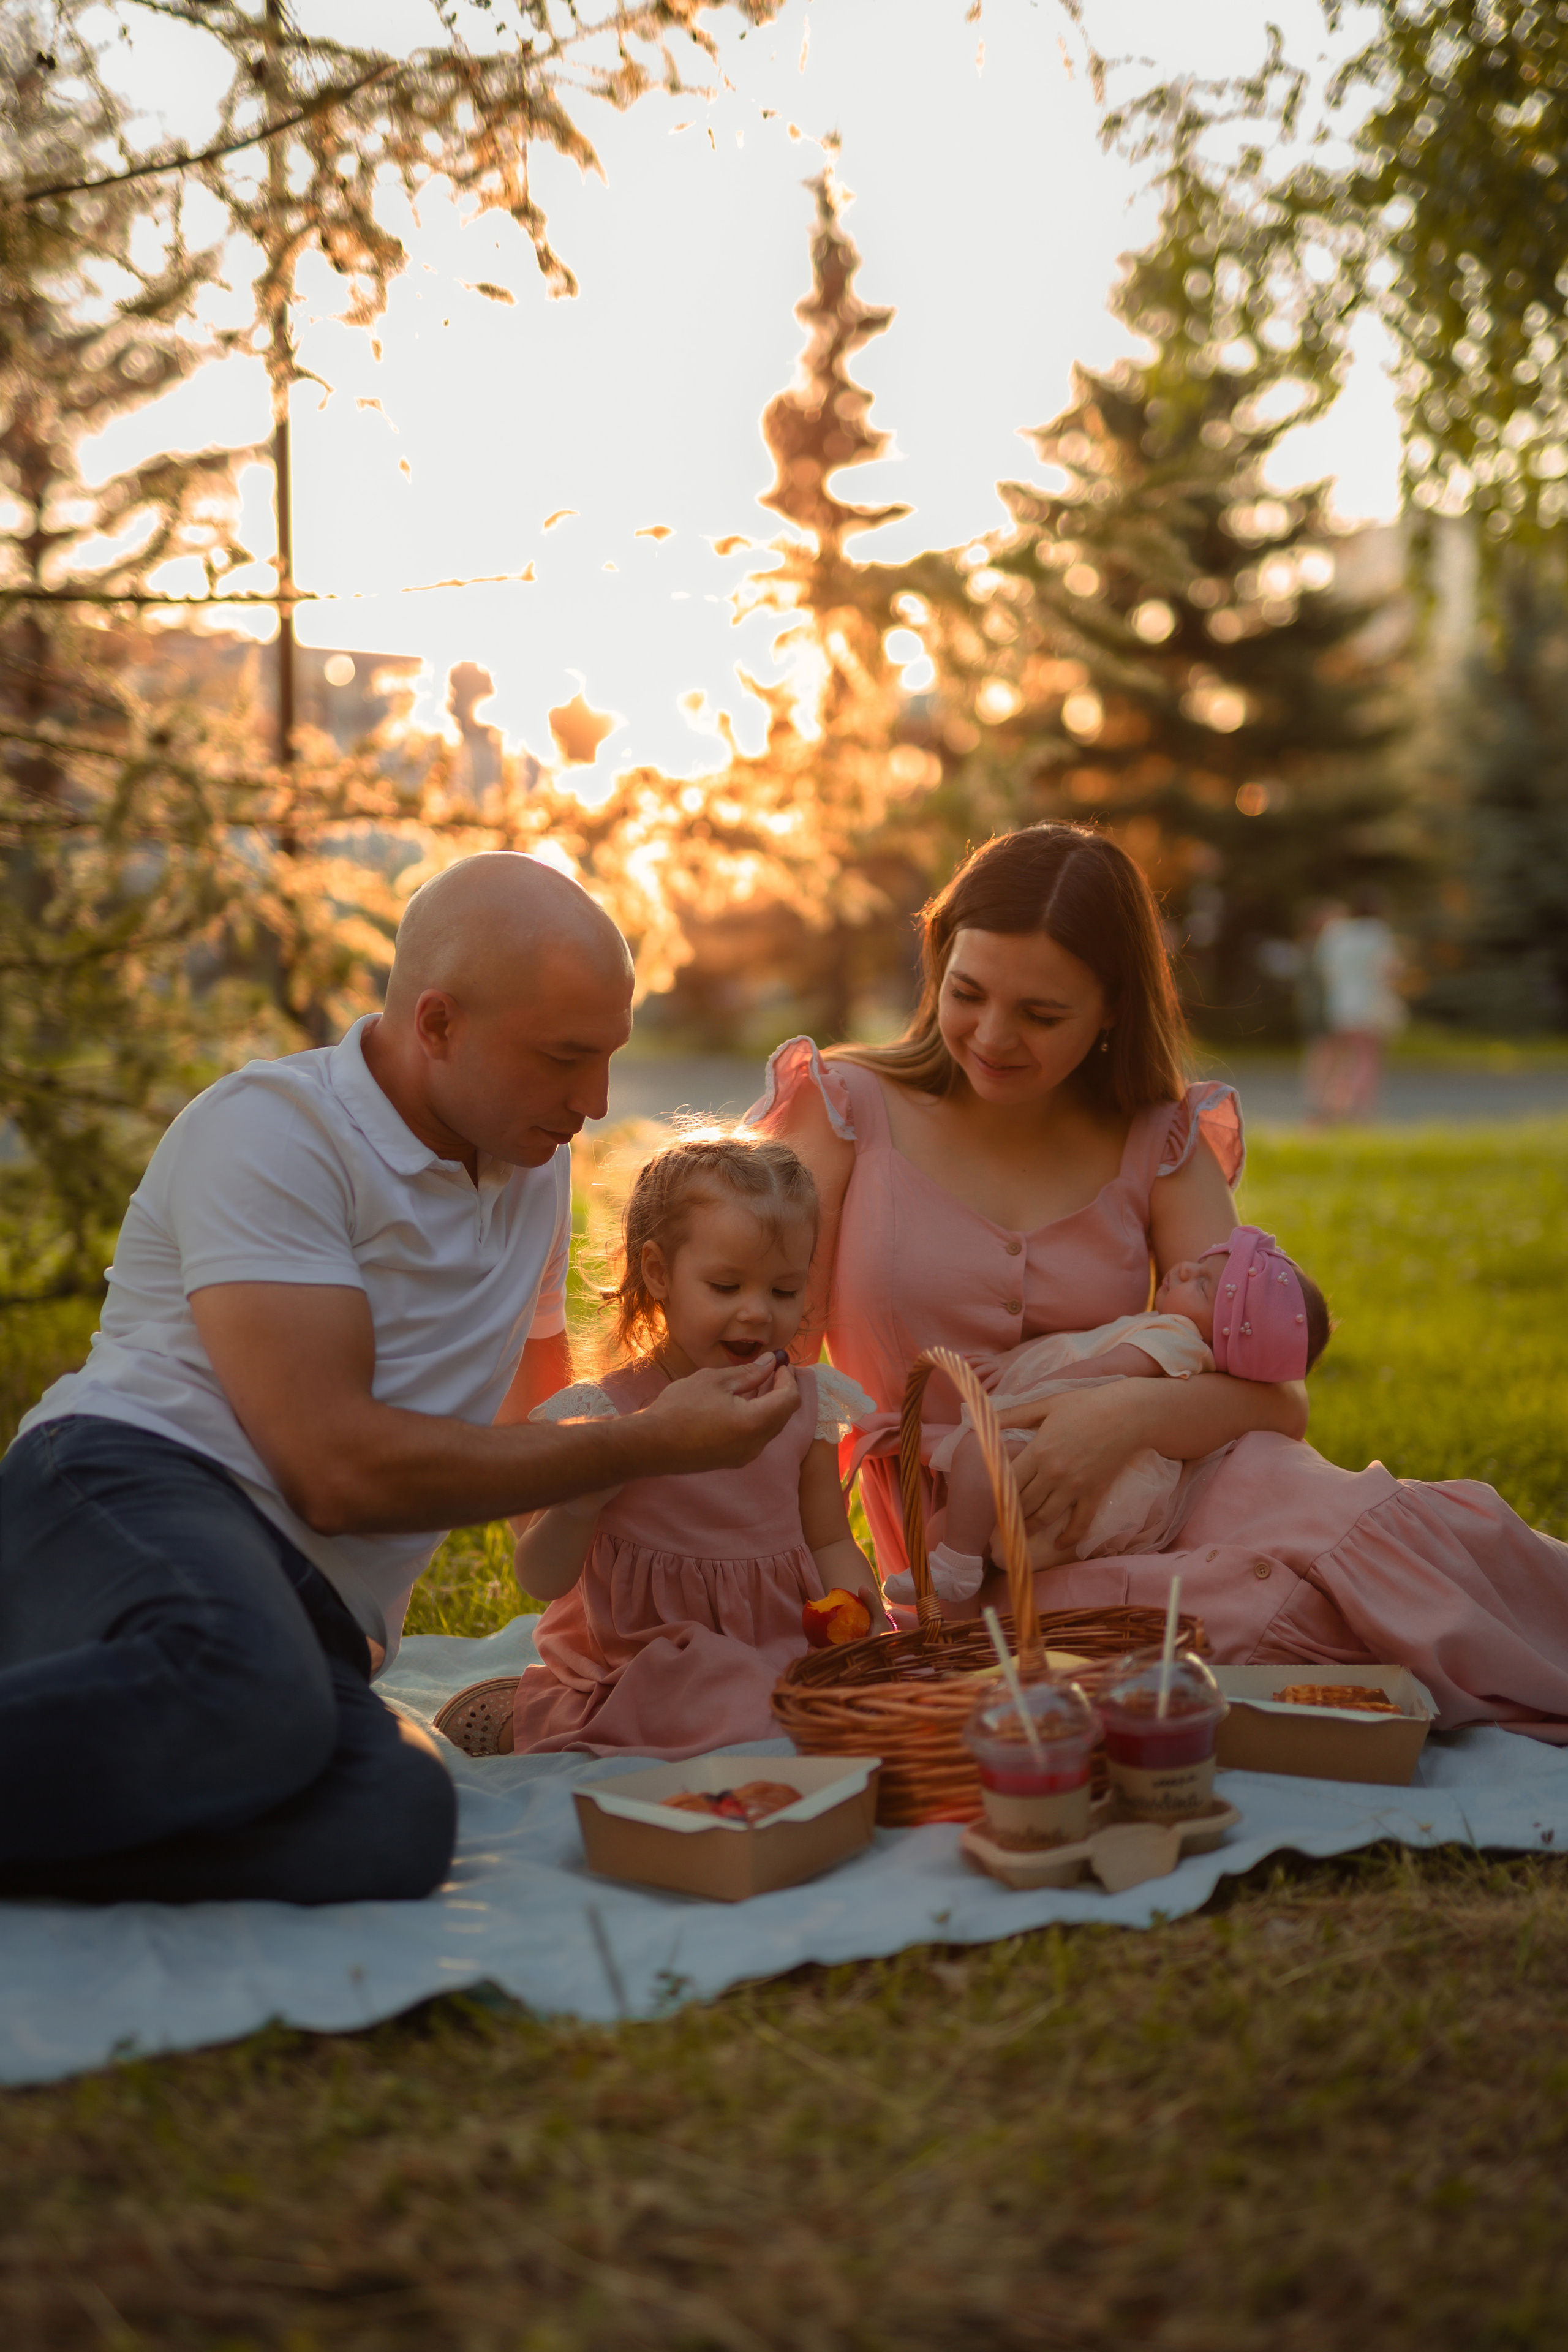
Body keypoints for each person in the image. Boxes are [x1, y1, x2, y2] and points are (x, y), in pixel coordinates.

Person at [0, 854, 801, 1904]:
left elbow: (542, 1434)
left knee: (398, 1822)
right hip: (133, 1488)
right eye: (565, 1058)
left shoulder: (534, 1166)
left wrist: (665, 1545)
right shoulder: (274, 1132)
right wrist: (648, 1441)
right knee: (247, 1685)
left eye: (609, 1057)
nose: (596, 1102)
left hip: (318, 1615)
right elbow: (336, 1473)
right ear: (438, 1023)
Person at [748, 821, 1568, 1738]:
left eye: (1041, 1015)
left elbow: (1275, 1399)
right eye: (966, 993)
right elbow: (769, 1372)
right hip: (973, 1550)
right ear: (937, 961)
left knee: (1399, 1535)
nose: (993, 1036)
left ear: (1113, 1009)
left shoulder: (1158, 1136)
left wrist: (1122, 1418)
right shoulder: (846, 1107)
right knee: (1267, 1617)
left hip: (1168, 1483)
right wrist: (807, 1568)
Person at [435, 1133, 884, 1760]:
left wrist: (863, 1616)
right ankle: (533, 1715)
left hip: (778, 1641)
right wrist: (582, 1499)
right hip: (654, 1655)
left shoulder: (802, 1405)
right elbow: (540, 1579)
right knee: (714, 1693)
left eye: (784, 1291)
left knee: (845, 1698)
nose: (757, 1312)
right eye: (726, 1287)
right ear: (658, 1272)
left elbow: (830, 1538)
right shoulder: (614, 1414)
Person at [914, 1226, 1331, 1600]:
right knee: (949, 1527)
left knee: (979, 1458)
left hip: (1059, 1442)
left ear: (1221, 1336)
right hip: (1055, 1443)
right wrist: (1013, 1360)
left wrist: (1026, 1399)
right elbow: (1080, 1341)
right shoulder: (1159, 1324)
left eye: (1203, 1285)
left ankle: (961, 1570)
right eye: (1199, 1265)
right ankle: (953, 1590)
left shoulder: (1179, 1337)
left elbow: (1103, 1370)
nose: (1184, 1269)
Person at [1312, 886, 1406, 1121]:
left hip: (1339, 1004)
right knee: (1366, 1058)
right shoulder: (1376, 933)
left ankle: (1332, 1103)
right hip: (1369, 1004)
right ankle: (1357, 1108)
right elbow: (1389, 969)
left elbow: (1324, 969)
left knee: (1344, 1059)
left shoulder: (1335, 933)